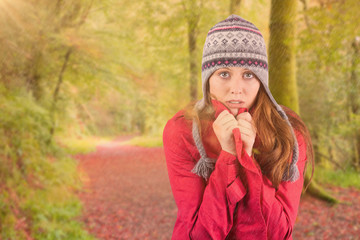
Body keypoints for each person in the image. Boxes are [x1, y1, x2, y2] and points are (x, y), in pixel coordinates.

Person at [163, 14, 313, 240]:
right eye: (224, 74)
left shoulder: (288, 132)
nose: (236, 89)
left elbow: (280, 233)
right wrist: (229, 156)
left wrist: (247, 157)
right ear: (208, 79)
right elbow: (200, 234)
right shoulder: (182, 131)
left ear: (261, 80)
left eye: (248, 74)